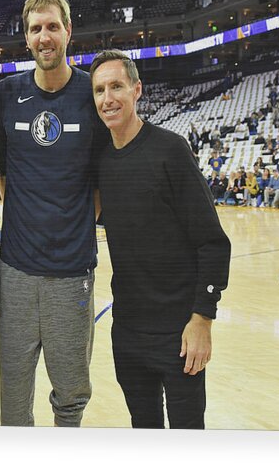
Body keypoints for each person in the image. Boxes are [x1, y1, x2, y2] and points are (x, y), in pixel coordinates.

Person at [90, 50, 230, 429]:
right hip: (128, 330)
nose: (108, 98)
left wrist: (203, 319)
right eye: (100, 90)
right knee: (144, 429)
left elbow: (213, 242)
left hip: (178, 331)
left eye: (116, 86)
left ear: (137, 90)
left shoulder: (170, 150)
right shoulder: (101, 162)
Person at [0, 0, 108, 427]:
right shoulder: (5, 93)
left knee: (70, 398)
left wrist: (73, 224)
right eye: (36, 28)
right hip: (15, 272)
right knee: (14, 399)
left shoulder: (91, 93)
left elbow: (103, 180)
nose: (45, 36)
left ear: (68, 31)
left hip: (72, 274)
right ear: (26, 37)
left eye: (52, 26)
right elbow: (1, 172)